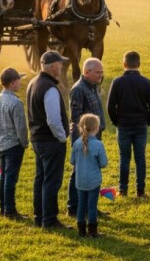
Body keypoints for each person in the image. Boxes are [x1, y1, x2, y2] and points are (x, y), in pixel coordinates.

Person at [26, 50, 70, 229]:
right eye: (60, 64)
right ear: (53, 67)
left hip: (37, 139)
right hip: (50, 141)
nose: (62, 67)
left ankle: (39, 216)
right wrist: (61, 137)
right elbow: (53, 120)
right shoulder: (50, 88)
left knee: (41, 179)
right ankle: (50, 220)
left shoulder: (32, 83)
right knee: (52, 181)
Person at [107, 51, 150, 198]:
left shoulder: (117, 82)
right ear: (139, 64)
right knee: (140, 158)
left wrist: (116, 121)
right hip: (141, 125)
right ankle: (140, 190)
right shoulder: (146, 82)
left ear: (124, 64)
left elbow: (110, 107)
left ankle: (123, 190)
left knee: (124, 158)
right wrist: (147, 121)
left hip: (123, 125)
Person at [67, 58, 106, 218]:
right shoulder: (78, 89)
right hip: (84, 138)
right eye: (98, 72)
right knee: (79, 172)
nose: (100, 75)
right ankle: (73, 207)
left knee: (92, 171)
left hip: (94, 136)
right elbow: (76, 118)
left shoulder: (92, 86)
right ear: (86, 72)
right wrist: (83, 140)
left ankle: (91, 207)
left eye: (102, 72)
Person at [0, 68, 29, 220]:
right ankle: (10, 210)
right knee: (11, 178)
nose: (20, 82)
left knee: (4, 177)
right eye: (19, 80)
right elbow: (21, 127)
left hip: (0, 144)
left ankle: (2, 206)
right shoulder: (16, 102)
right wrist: (24, 143)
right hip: (13, 145)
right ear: (13, 83)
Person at [70, 114, 108, 238]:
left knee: (81, 204)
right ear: (96, 128)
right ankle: (92, 231)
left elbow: (72, 161)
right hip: (93, 181)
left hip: (80, 181)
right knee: (92, 206)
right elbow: (103, 163)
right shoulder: (98, 145)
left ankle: (81, 231)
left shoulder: (76, 144)